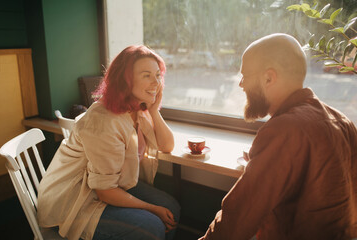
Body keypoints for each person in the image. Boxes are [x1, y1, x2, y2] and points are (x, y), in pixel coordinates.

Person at [199, 33, 357, 240]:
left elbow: (237, 219)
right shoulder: (343, 121)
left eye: (245, 75)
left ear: (268, 78)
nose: (241, 84)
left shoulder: (284, 130)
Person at [37, 45, 180, 240]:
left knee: (171, 207)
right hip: (75, 201)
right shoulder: (104, 120)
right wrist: (151, 208)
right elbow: (105, 191)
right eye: (146, 75)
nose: (156, 82)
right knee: (152, 225)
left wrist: (154, 111)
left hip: (110, 186)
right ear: (125, 81)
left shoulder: (139, 108)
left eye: (158, 75)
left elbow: (167, 146)